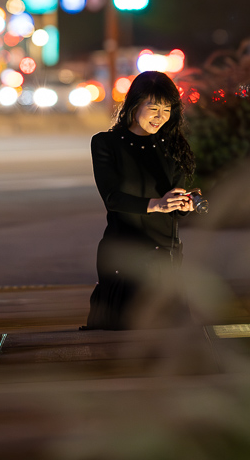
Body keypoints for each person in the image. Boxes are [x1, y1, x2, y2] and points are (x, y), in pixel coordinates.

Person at [84, 71, 197, 330]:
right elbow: (112, 198)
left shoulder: (173, 145)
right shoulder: (106, 143)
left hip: (165, 254)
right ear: (135, 105)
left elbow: (174, 203)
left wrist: (184, 205)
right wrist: (157, 204)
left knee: (171, 337)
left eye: (167, 109)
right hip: (124, 253)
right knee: (122, 336)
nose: (160, 116)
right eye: (153, 107)